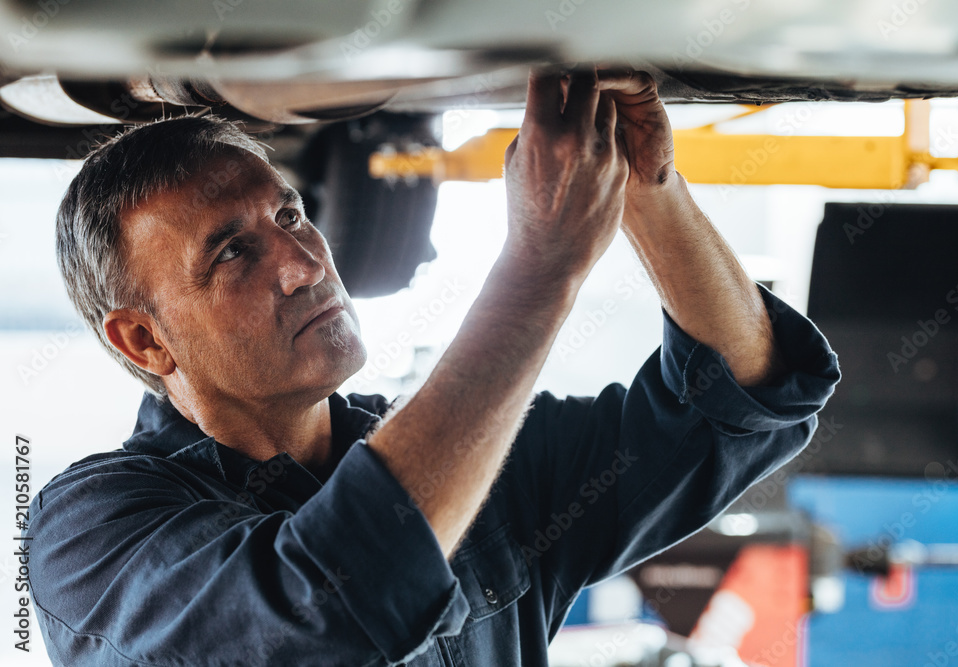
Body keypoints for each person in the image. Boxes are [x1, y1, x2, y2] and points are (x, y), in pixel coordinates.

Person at [27, 68, 839, 666]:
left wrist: (646, 187)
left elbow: (742, 397)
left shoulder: (478, 459)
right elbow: (328, 607)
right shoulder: (93, 535)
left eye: (289, 214)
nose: (303, 262)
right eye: (234, 252)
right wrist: (539, 268)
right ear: (144, 342)